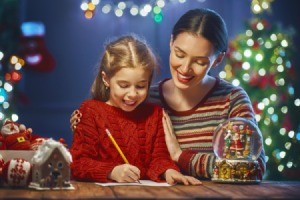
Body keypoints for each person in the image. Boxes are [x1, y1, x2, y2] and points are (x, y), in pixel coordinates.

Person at [71, 8, 266, 180]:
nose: (185, 68)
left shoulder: (232, 99)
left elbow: (253, 169)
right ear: (171, 42)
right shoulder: (146, 98)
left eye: (199, 61)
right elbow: (109, 122)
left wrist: (181, 156)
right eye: (179, 54)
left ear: (218, 60)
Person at [70, 34, 201, 185]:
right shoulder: (91, 111)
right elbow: (78, 163)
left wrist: (169, 171)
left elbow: (159, 158)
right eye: (124, 85)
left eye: (140, 86)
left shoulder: (155, 114)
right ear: (106, 79)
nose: (132, 94)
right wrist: (112, 171)